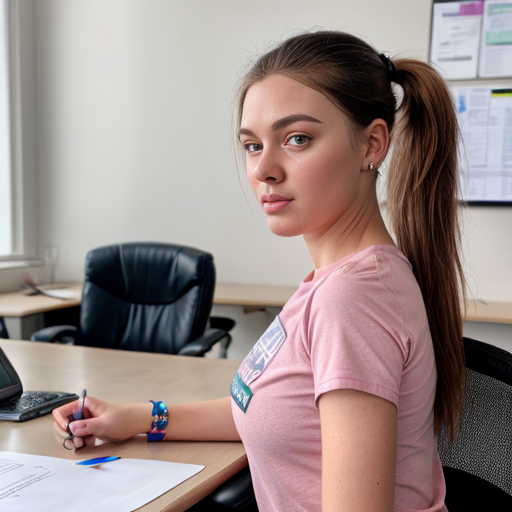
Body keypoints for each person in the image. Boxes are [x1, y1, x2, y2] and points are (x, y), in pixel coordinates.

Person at [53, 30, 466, 512]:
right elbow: (273, 412)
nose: (263, 169)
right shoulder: (339, 282)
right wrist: (140, 417)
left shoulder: (351, 299)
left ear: (372, 144)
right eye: (252, 145)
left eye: (297, 139)